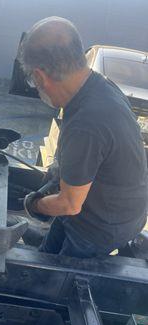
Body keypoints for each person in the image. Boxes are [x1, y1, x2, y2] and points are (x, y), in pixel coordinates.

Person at [20, 17, 148, 258]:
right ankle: (46, 249)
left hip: (102, 227)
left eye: (32, 81)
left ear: (39, 77)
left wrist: (33, 204)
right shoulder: (100, 85)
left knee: (54, 281)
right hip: (118, 207)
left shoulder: (86, 122)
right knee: (50, 245)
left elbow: (69, 204)